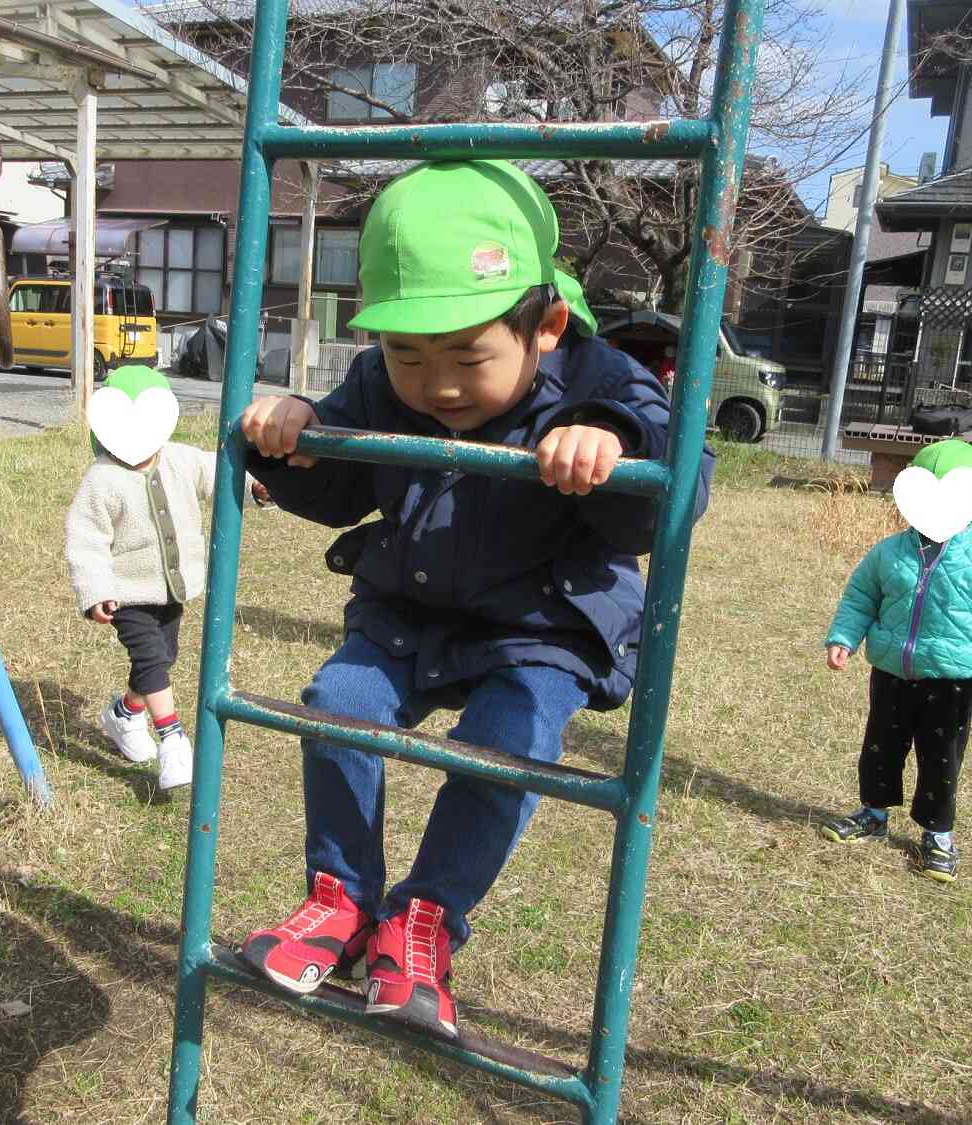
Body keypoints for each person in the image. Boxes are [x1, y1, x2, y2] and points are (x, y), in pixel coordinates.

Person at [234, 159, 714, 1038]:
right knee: (339, 700)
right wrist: (295, 437)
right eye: (408, 353)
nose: (439, 383)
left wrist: (606, 442)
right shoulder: (384, 386)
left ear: (547, 327)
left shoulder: (600, 377)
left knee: (510, 738)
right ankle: (340, 897)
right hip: (414, 606)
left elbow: (669, 472)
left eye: (468, 355)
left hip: (543, 623)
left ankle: (424, 921)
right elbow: (346, 485)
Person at [821, 438, 972, 882]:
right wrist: (845, 635)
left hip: (952, 682)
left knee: (941, 756)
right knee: (881, 745)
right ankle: (873, 813)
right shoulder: (890, 551)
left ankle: (937, 833)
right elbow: (862, 596)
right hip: (891, 672)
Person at [65, 365, 265, 790]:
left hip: (171, 590)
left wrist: (256, 487)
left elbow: (219, 474)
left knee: (161, 660)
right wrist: (97, 591)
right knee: (153, 660)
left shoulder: (180, 458)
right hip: (127, 594)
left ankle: (124, 713)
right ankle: (173, 739)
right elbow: (86, 540)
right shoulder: (101, 479)